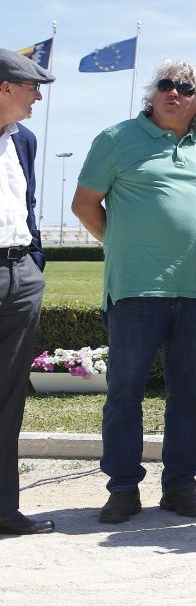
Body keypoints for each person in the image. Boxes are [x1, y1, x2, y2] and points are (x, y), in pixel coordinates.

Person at [72, 61, 196, 524]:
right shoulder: (116, 139)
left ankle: (180, 486)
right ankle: (122, 489)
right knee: (124, 395)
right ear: (152, 94)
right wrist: (120, 246)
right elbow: (84, 204)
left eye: (185, 87)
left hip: (194, 293)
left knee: (189, 397)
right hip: (134, 292)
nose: (173, 92)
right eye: (165, 85)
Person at [0, 49, 55, 536]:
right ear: (4, 88)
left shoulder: (26, 140)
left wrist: (33, 261)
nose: (38, 95)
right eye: (32, 87)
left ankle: (3, 511)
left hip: (20, 277)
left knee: (9, 397)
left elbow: (27, 205)